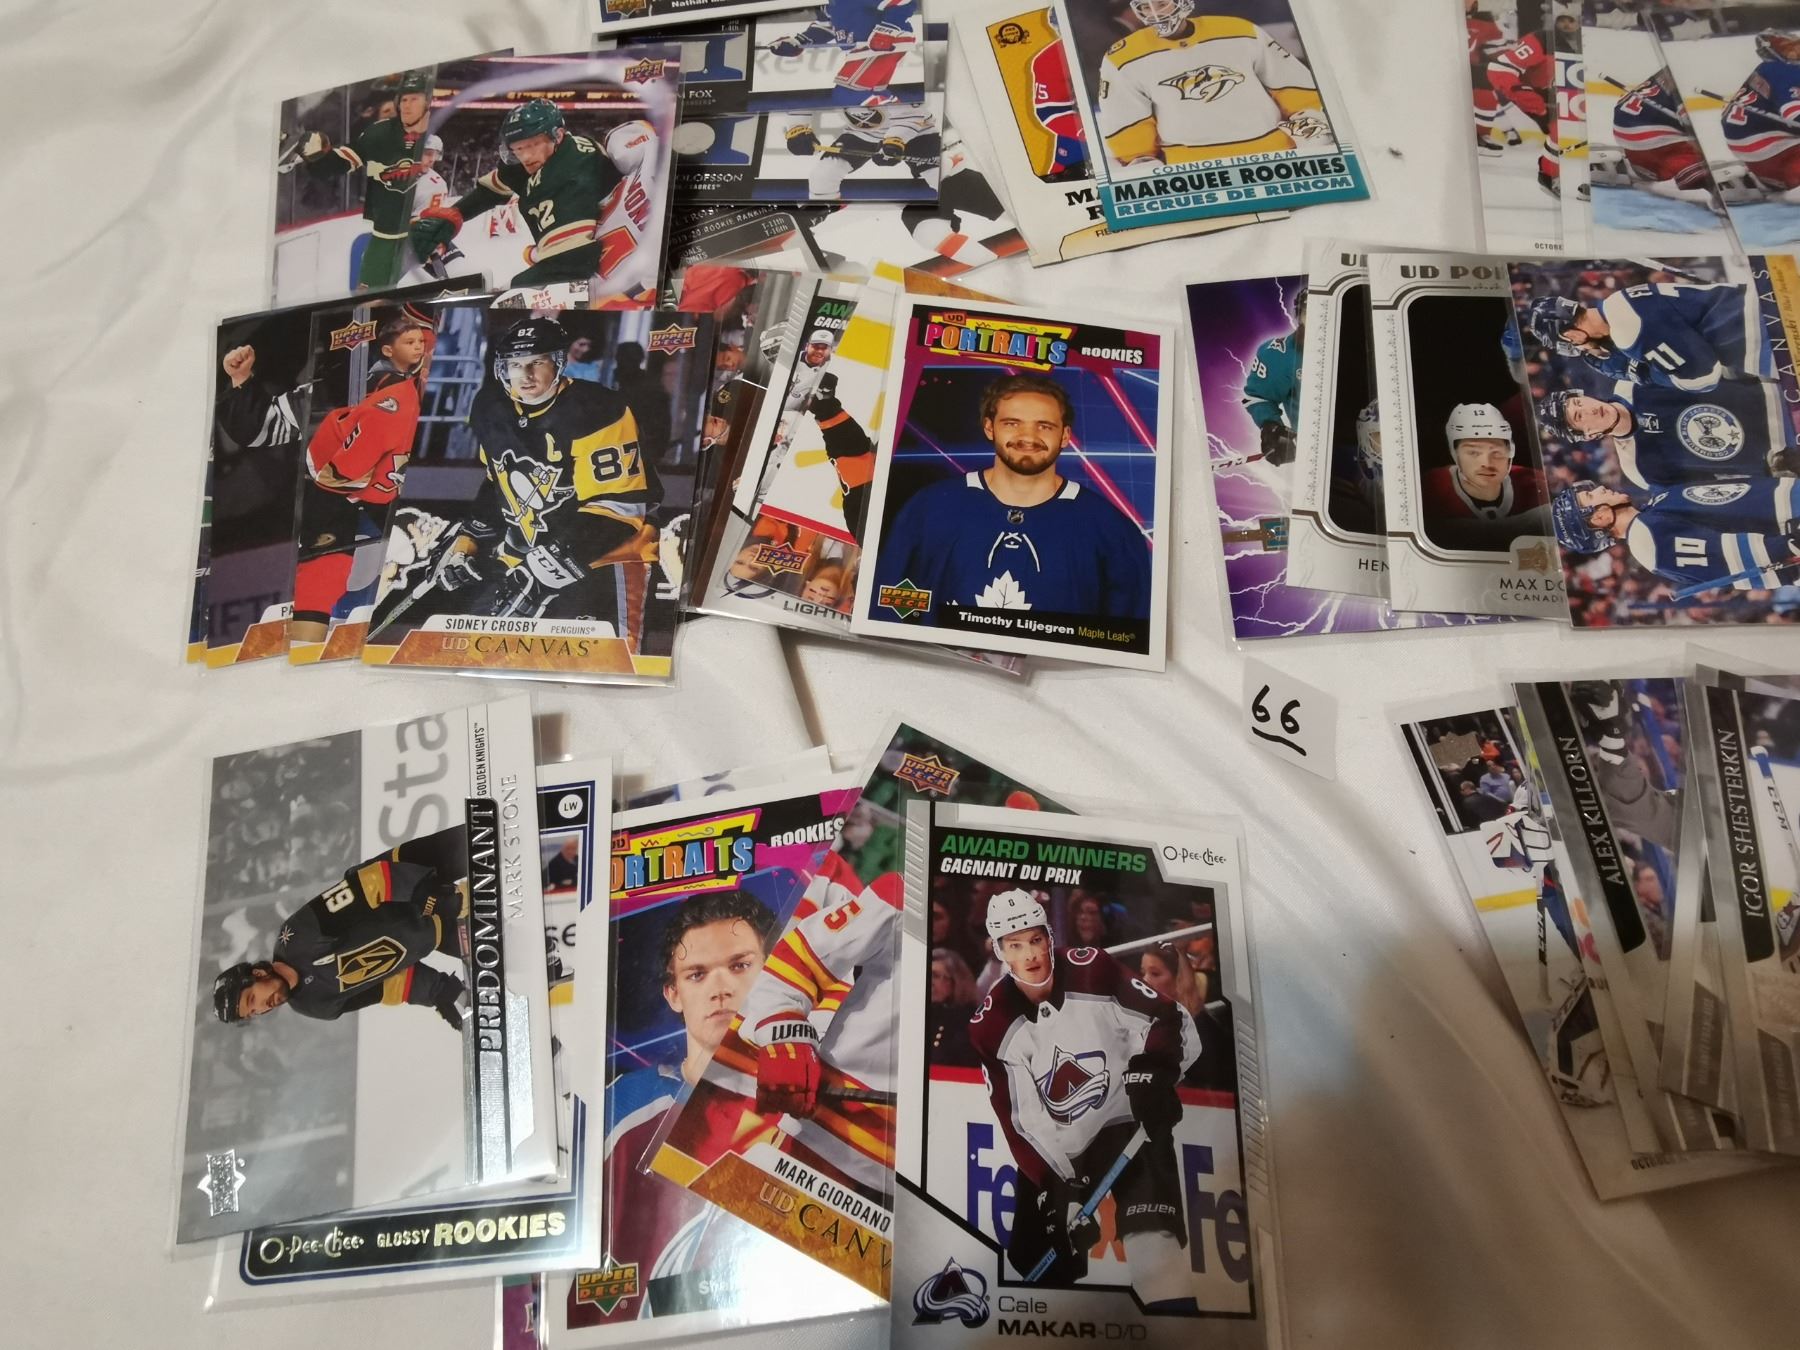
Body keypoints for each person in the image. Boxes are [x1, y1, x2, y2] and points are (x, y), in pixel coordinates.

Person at [969, 889, 1198, 1305]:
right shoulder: (992, 1024)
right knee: (1037, 1266)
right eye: (1015, 945)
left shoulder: (1092, 969)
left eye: (1036, 939)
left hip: (1131, 1120)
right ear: (1000, 952)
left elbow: (1171, 1019)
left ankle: (1177, 1324)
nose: (1030, 954)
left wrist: (1158, 1074)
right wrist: (1058, 1191)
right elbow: (1022, 1122)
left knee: (1155, 1250)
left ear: (1050, 936)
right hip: (1062, 1148)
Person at [572, 891, 777, 1328]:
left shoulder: (817, 1115)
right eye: (697, 974)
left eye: (740, 966)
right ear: (673, 994)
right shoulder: (620, 1107)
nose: (720, 989)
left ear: (772, 974)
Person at [423, 317, 660, 638]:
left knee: (604, 657)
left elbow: (618, 509)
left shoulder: (598, 408)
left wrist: (542, 571)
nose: (525, 374)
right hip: (524, 558)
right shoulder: (490, 407)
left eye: (537, 362)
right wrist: (470, 537)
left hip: (607, 559)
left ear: (559, 363)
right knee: (476, 648)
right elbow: (498, 482)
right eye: (515, 364)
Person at [870, 374, 1151, 622]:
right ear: (989, 428)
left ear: (1065, 436)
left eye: (1044, 426)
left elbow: (1127, 634)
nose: (1028, 437)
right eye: (1012, 423)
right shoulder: (930, 508)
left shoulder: (1111, 529)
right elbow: (888, 604)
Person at [293, 307, 437, 645]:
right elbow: (338, 479)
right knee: (325, 571)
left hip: (378, 480)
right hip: (333, 478)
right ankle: (304, 645)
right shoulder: (391, 412)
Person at [410, 102, 646, 292]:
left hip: (616, 274)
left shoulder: (567, 176)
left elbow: (570, 263)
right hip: (605, 249)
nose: (525, 157)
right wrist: (456, 213)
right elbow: (492, 190)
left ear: (558, 135)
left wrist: (507, 293)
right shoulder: (554, 151)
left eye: (532, 145)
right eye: (518, 148)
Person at [212, 855, 468, 1028]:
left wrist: (434, 898)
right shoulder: (313, 1006)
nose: (261, 1009)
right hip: (438, 932)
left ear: (257, 974)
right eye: (253, 1013)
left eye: (251, 1000)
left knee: (475, 841)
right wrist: (439, 993)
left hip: (422, 882)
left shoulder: (296, 936)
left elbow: (366, 885)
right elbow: (388, 985)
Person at [1097, 1, 1332, 172]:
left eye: (1161, 3)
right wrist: (1141, 161)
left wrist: (1312, 129)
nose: (1156, 13)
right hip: (1193, 170)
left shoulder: (1240, 31)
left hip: (1275, 156)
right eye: (1146, 7)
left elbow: (1295, 88)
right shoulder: (1122, 57)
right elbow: (1126, 118)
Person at [299, 68, 435, 290]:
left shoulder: (437, 133)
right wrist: (318, 159)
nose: (406, 105)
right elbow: (345, 159)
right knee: (369, 301)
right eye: (404, 99)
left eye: (414, 99)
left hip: (422, 240)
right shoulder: (380, 133)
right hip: (385, 238)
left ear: (428, 102)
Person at [1550, 476, 1800, 595]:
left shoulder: (1653, 506)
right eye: (1591, 496)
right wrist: (1792, 547)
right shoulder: (1648, 542)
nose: (1600, 488)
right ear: (1599, 518)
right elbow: (1740, 560)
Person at [1539, 381, 1798, 491]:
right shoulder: (1638, 469)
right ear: (1588, 435)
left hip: (1780, 399)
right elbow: (1713, 488)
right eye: (1579, 417)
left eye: (1579, 403)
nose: (1590, 409)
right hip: (1782, 454)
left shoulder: (1630, 381)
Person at [1524, 281, 1761, 393]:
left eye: (1574, 344)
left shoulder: (1627, 335)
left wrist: (1646, 374)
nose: (1581, 349)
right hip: (1749, 301)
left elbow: (1704, 379)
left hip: (1757, 334)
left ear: (1572, 335)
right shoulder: (1617, 299)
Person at [1422, 402, 1548, 545]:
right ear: (1455, 454)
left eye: (1496, 452)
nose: (1486, 463)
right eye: (1473, 452)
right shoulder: (1430, 489)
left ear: (1510, 451)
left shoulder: (1537, 483)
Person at [783, 105, 940, 200]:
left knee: (938, 176)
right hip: (863, 133)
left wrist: (895, 140)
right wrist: (797, 127)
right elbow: (811, 89)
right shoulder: (837, 65)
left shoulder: (889, 68)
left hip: (918, 130)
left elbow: (911, 113)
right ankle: (822, 211)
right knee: (824, 174)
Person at [1722, 31, 1800, 194]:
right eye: (1789, 49)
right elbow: (1795, 116)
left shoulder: (1765, 68)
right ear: (1773, 53)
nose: (1797, 52)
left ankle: (1764, 179)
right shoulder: (1786, 71)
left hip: (1749, 149)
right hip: (1772, 150)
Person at [1243, 309, 1303, 466]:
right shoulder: (1280, 354)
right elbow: (1259, 396)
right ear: (1299, 314)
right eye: (1307, 310)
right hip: (1319, 452)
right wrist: (1271, 427)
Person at [927, 947, 978, 1068]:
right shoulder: (919, 1015)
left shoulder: (969, 1022)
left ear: (956, 981)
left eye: (935, 975)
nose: (929, 982)